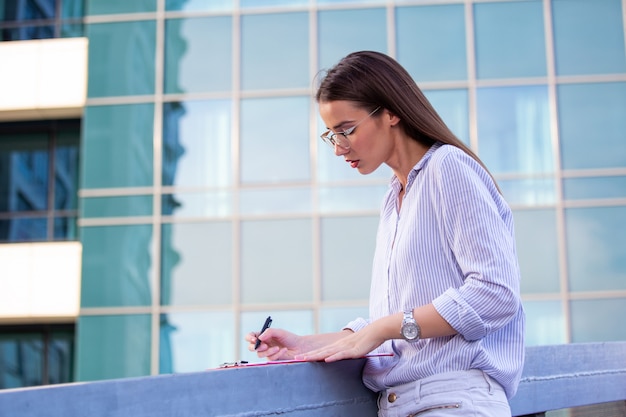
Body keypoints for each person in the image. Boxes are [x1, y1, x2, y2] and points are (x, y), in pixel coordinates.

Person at [246, 51, 525, 417]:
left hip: (453, 402)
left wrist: (384, 328)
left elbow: (496, 293)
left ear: (391, 112)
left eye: (346, 130)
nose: (338, 148)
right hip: (404, 405)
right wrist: (304, 345)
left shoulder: (448, 168)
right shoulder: (394, 198)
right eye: (330, 135)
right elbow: (400, 328)